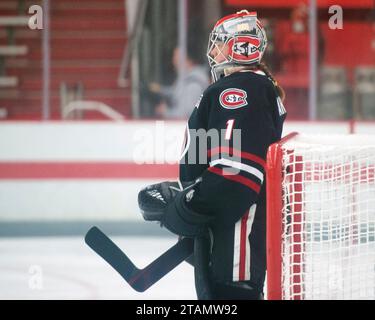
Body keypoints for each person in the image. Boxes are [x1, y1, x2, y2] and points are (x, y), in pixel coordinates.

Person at [138, 10, 287, 300]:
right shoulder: (253, 88)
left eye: (219, 43)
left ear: (239, 47)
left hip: (234, 250)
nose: (214, 52)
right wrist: (187, 193)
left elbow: (237, 172)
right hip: (230, 245)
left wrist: (187, 206)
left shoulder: (241, 88)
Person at [149, 46, 210, 119]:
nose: (173, 61)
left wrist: (165, 111)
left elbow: (186, 115)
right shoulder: (186, 76)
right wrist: (160, 89)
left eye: (176, 57)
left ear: (188, 59)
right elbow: (177, 92)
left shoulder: (193, 84)